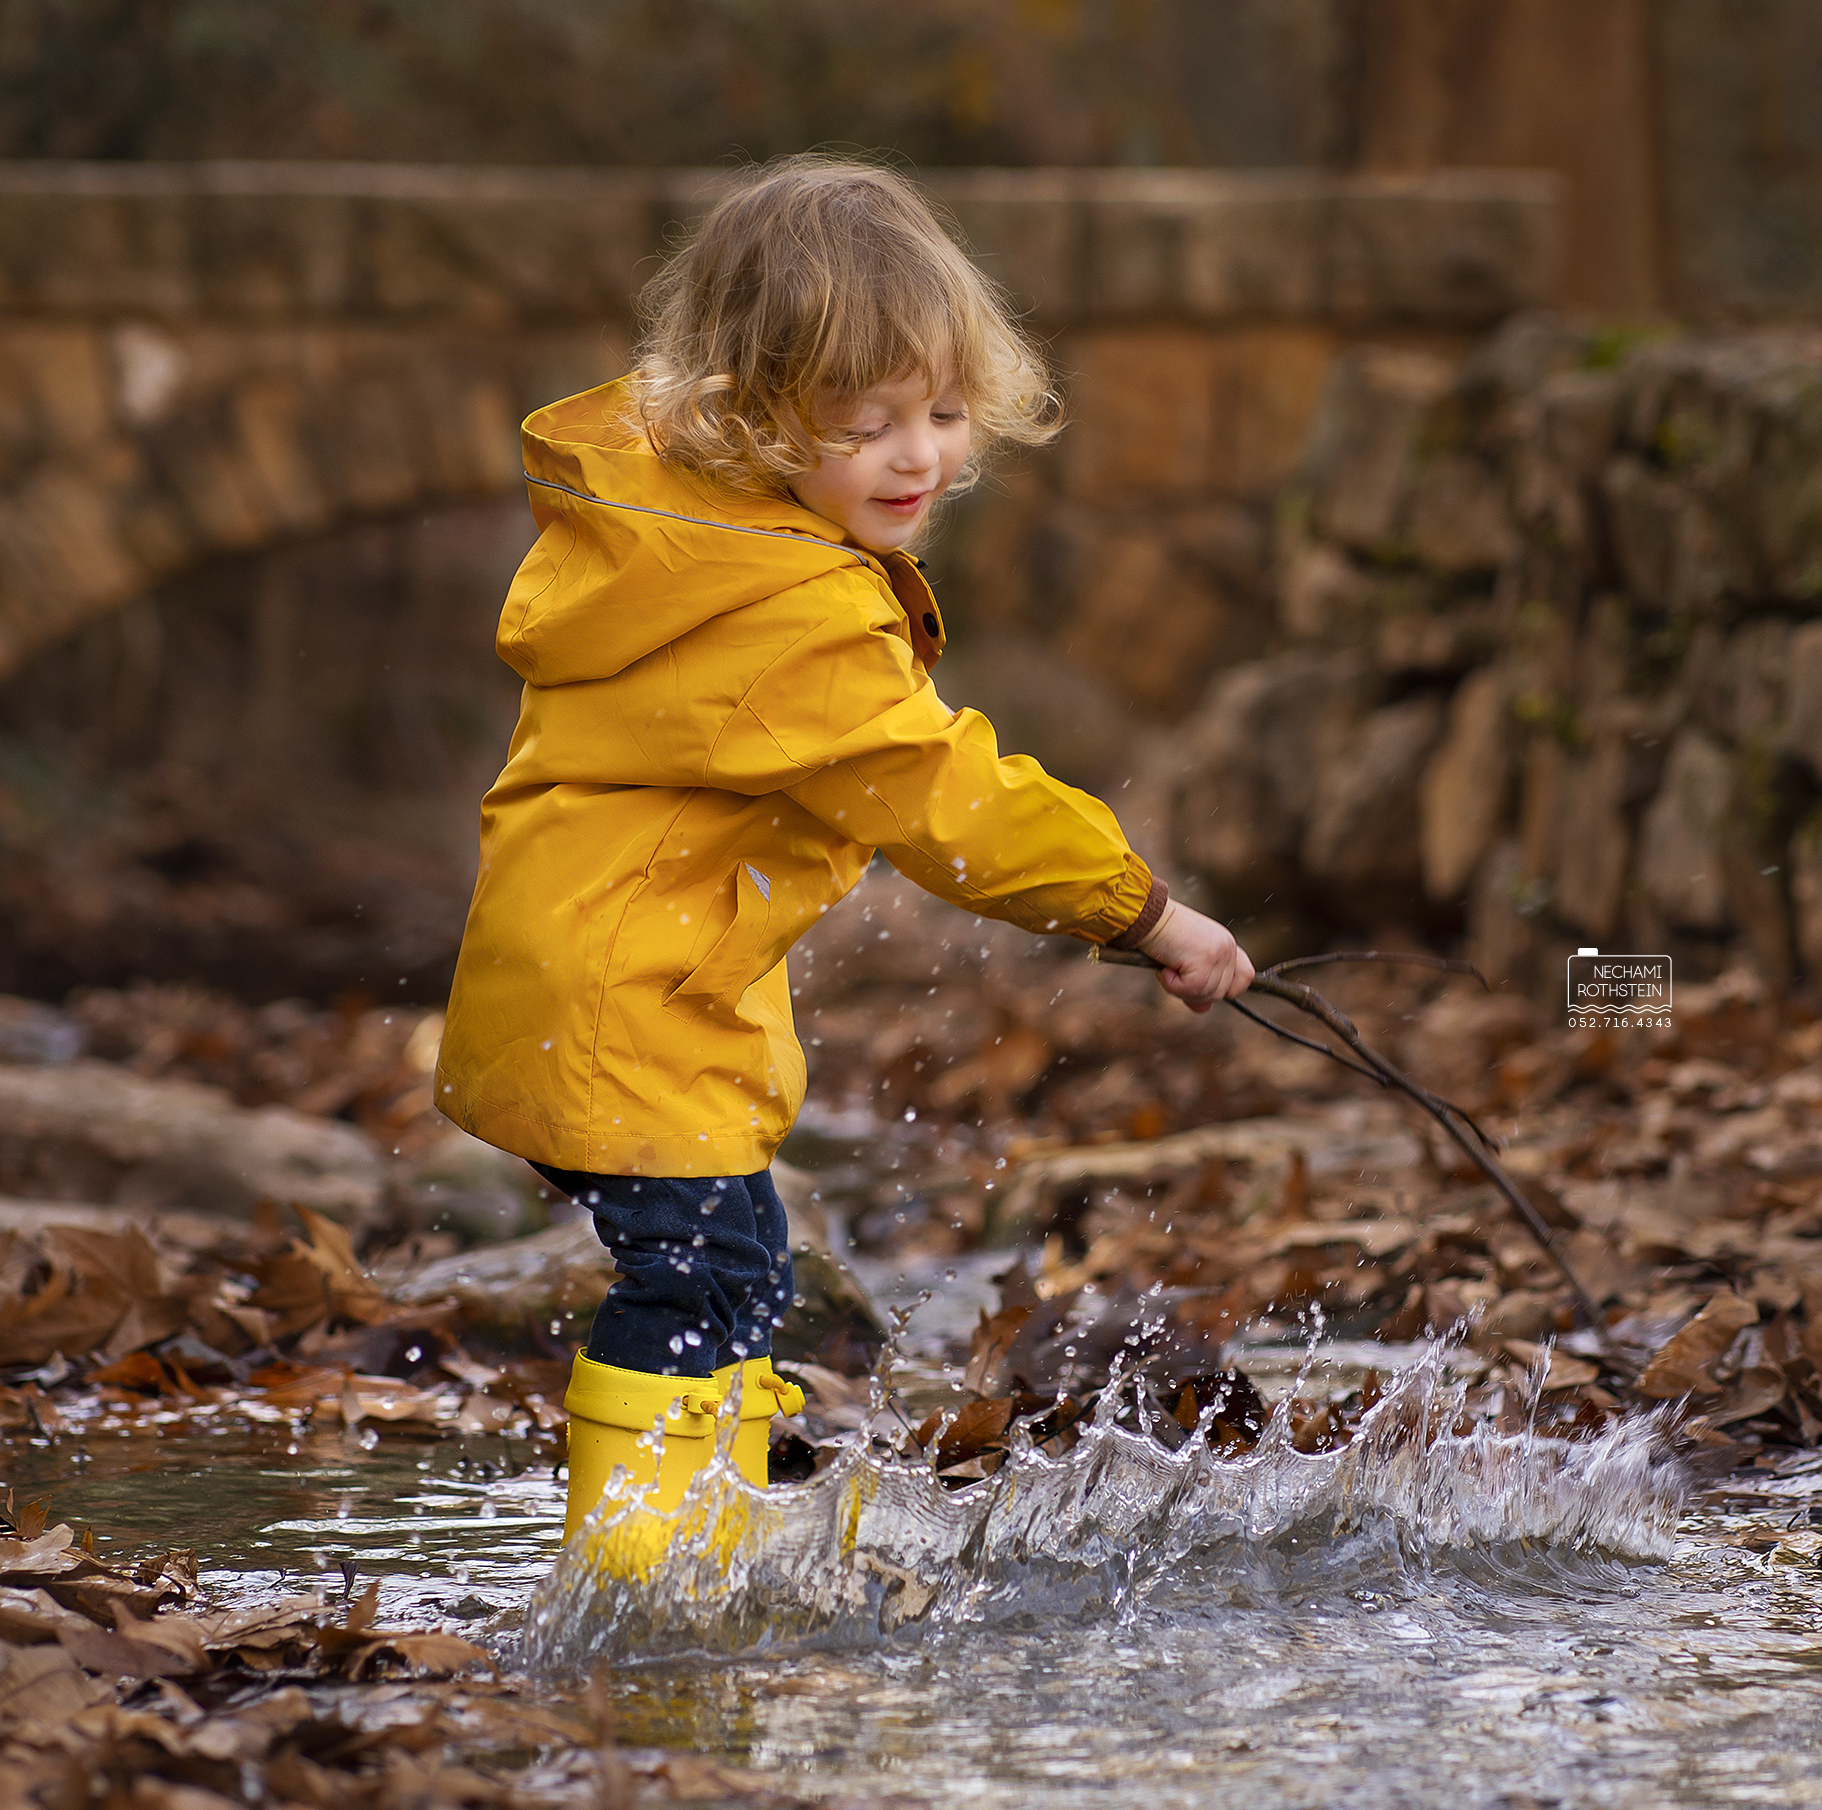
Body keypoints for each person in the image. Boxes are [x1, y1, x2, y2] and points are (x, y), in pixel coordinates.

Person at [434, 154, 1255, 1574]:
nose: (916, 457)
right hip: (629, 1004)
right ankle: (639, 1582)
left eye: (939, 413)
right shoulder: (789, 607)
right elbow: (947, 799)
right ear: (749, 419)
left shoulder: (689, 538)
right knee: (707, 1272)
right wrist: (1145, 913)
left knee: (726, 1264)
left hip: (610, 986)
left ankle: (702, 1533)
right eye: (862, 424)